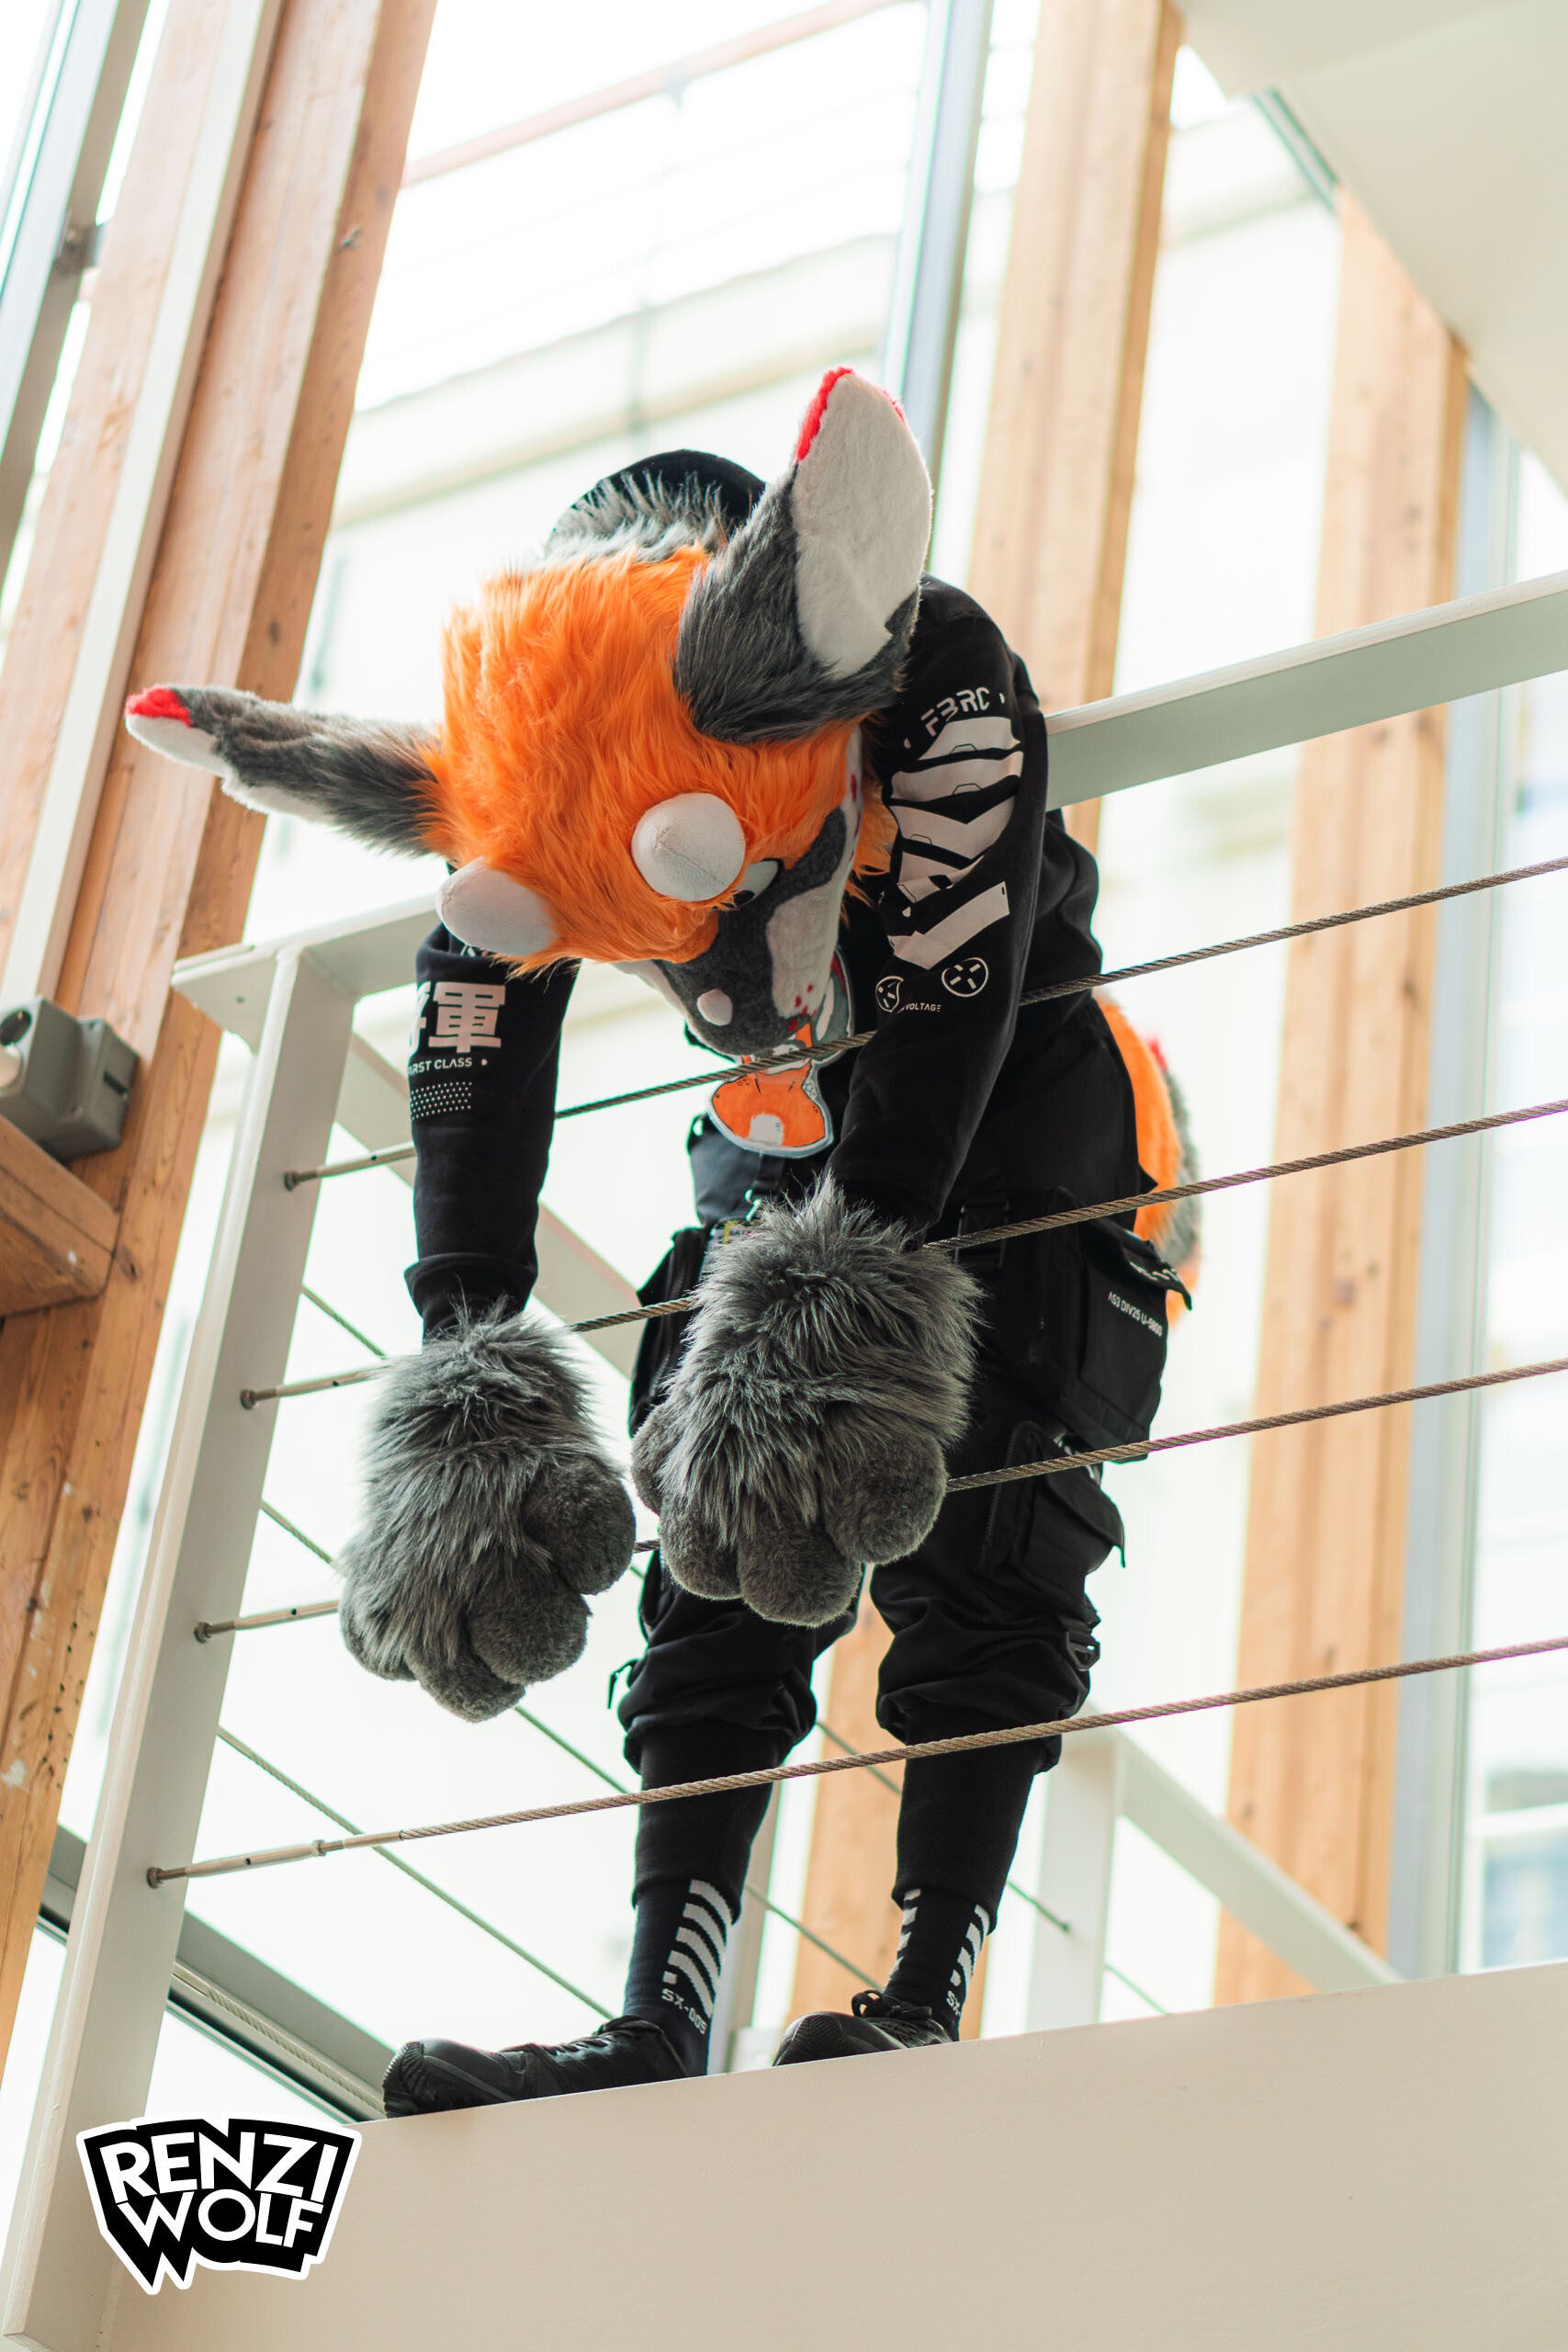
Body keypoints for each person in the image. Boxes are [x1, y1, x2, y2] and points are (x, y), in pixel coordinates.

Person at [124, 370, 1193, 2113]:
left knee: (993, 1532)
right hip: (784, 1129)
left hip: (1030, 1107)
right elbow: (480, 1004)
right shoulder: (550, 754)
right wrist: (468, 1359)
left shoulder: (922, 666)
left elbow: (956, 979)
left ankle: (926, 1991)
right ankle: (656, 2020)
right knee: (710, 1541)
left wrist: (869, 1270)